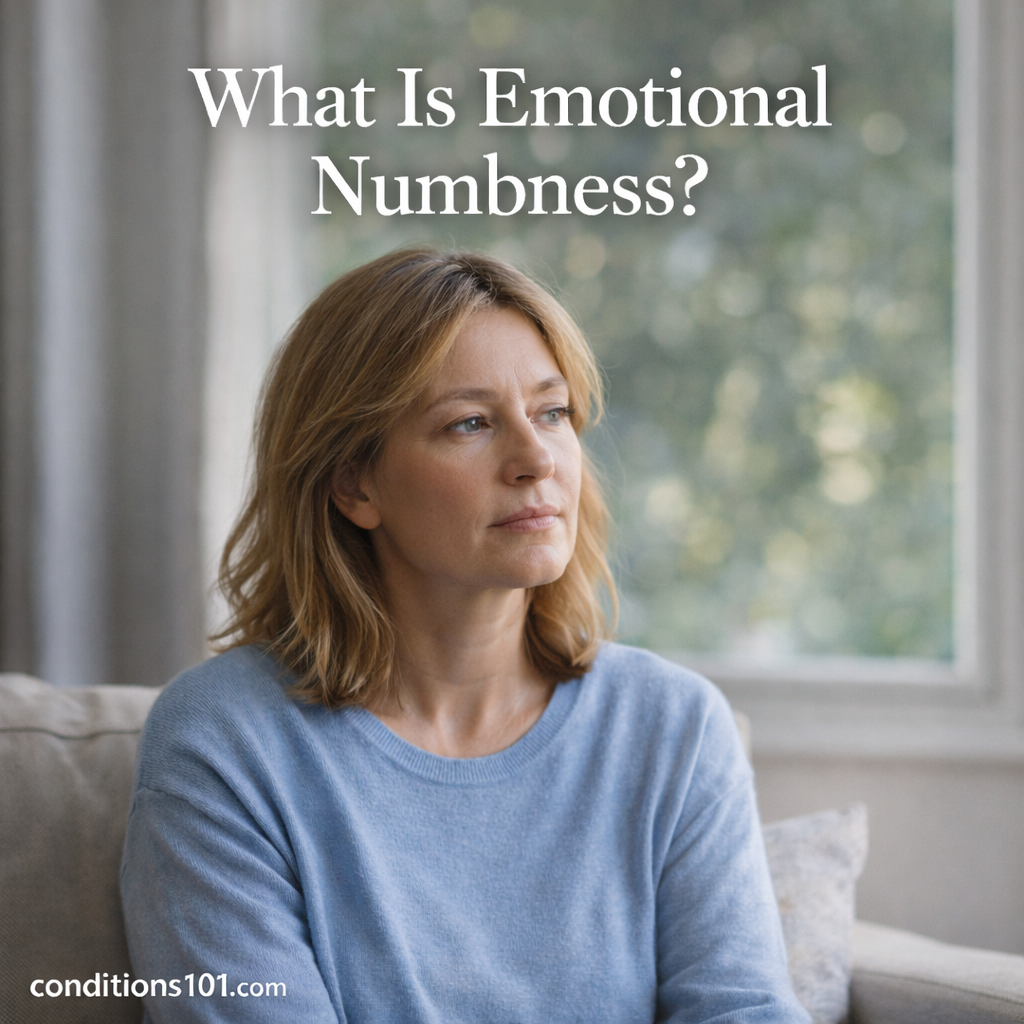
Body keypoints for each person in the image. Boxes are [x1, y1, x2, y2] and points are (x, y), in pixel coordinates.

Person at [121, 247, 809, 1024]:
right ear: (353, 483)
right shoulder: (221, 742)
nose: (536, 459)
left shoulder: (675, 726)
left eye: (553, 413)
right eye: (470, 423)